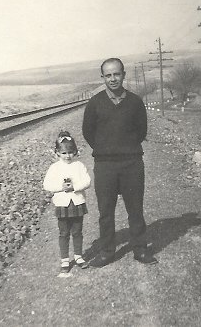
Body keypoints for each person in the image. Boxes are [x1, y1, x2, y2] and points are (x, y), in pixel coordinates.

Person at [82, 57, 157, 267]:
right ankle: (107, 252)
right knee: (106, 211)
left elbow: (141, 131)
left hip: (131, 164)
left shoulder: (135, 102)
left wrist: (126, 149)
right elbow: (88, 132)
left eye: (117, 74)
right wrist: (106, 150)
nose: (113, 79)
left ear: (124, 75)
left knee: (135, 208)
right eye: (108, 75)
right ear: (103, 77)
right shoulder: (95, 103)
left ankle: (140, 249)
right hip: (105, 166)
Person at [43, 131, 91, 274]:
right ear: (57, 153)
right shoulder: (54, 168)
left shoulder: (79, 165)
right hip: (62, 204)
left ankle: (78, 256)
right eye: (63, 153)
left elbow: (87, 181)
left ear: (75, 152)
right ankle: (64, 259)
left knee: (77, 231)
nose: (68, 156)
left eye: (71, 152)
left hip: (77, 203)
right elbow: (46, 185)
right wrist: (61, 188)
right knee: (64, 232)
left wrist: (75, 187)